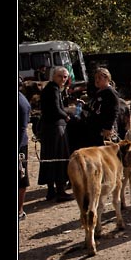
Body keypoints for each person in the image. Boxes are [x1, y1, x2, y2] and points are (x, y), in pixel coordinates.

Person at [38, 66, 73, 202]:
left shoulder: (52, 88)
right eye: (60, 76)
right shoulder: (53, 89)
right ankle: (60, 191)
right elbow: (56, 109)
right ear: (53, 76)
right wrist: (66, 115)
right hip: (55, 128)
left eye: (65, 77)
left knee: (49, 157)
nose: (63, 79)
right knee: (59, 158)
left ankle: (51, 191)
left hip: (49, 128)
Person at [84, 68, 120, 146]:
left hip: (105, 130)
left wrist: (108, 128)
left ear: (107, 78)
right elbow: (96, 108)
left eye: (99, 78)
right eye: (95, 78)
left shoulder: (110, 92)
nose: (97, 80)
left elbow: (114, 111)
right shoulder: (99, 92)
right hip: (96, 128)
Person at [19, 82, 31, 220]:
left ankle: (19, 211)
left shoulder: (21, 102)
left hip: (20, 146)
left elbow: (22, 129)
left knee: (21, 178)